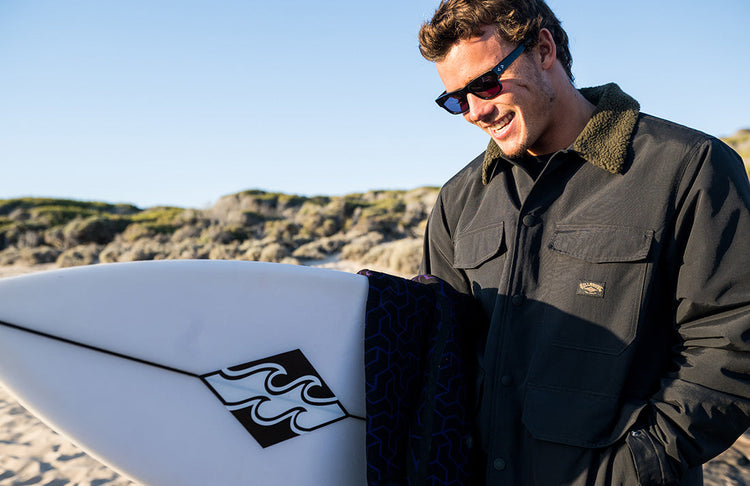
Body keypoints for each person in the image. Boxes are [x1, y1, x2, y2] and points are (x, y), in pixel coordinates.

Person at [417, 0, 750, 484]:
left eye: (486, 84)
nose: (475, 111)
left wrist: (640, 464)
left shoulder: (689, 167)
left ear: (543, 49)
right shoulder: (458, 200)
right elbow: (443, 357)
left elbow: (732, 337)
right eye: (456, 100)